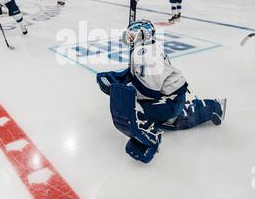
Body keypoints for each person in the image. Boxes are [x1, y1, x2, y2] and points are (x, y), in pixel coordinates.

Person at [96, 20, 227, 163]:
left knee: (132, 108)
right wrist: (116, 78)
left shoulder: (146, 54)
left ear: (143, 35)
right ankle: (209, 108)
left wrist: (118, 88)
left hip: (171, 99)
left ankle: (152, 136)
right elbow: (136, 75)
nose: (129, 38)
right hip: (172, 96)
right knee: (164, 118)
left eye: (132, 35)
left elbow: (149, 91)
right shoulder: (144, 49)